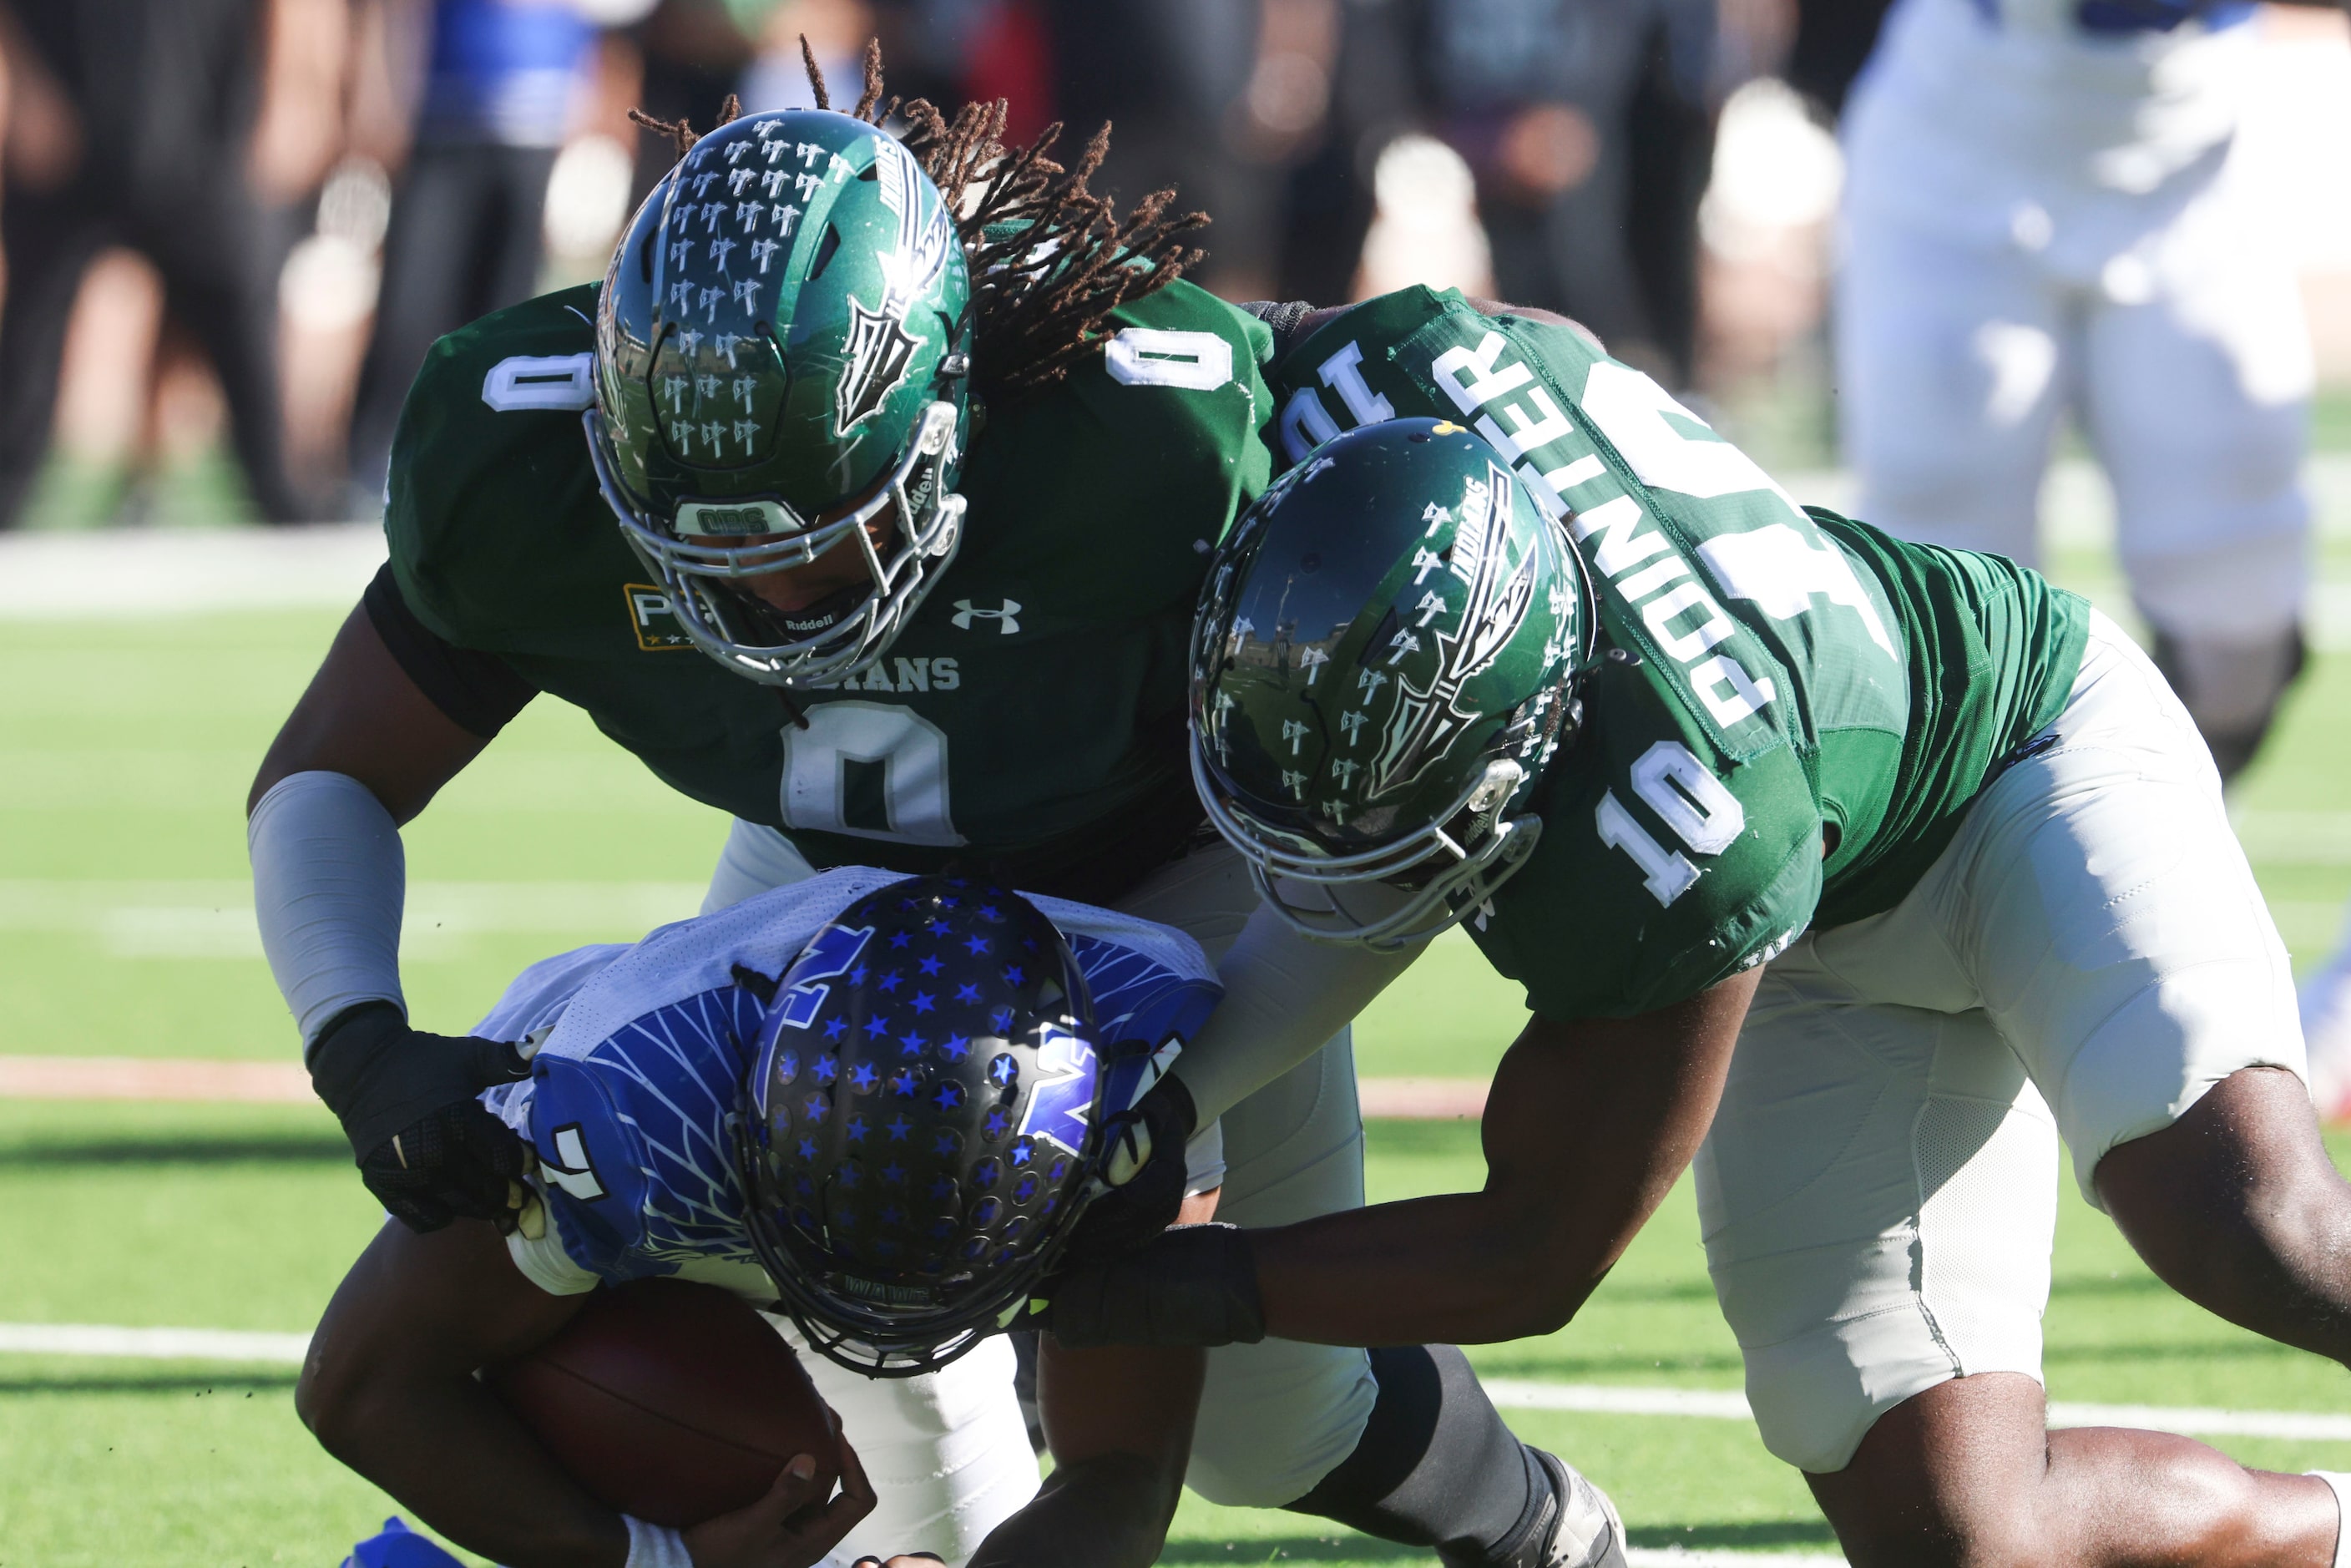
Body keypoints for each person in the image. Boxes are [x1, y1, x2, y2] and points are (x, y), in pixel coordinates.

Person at [250, 68, 1620, 1568]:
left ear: (944, 407)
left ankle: (1535, 1522)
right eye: (712, 551)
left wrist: (1156, 1113)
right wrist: (361, 1039)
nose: (770, 601)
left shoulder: (1148, 428)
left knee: (1262, 1424)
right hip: (828, 879)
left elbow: (1451, 462)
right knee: (860, 1303)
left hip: (1176, 875)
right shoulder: (522, 464)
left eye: (817, 534)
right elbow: (334, 764)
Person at [1043, 287, 2351, 1565]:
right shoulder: (1382, 367)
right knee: (1957, 1531)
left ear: (1537, 725)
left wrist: (1178, 1281)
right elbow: (1254, 344)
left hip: (2021, 770)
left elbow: (1530, 1256)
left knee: (2249, 1219)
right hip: (1808, 903)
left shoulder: (1681, 819)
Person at [299, 871, 1229, 1568]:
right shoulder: (630, 1126)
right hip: (654, 1262)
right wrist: (661, 1561)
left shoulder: (1126, 1112)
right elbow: (369, 1385)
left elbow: (1125, 1470)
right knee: (643, 1424)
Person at [1836, 0, 2328, 782]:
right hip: (1965, 125)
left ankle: (2175, 832)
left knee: (2236, 607)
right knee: (1942, 572)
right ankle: (1978, 870)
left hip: (2195, 135)